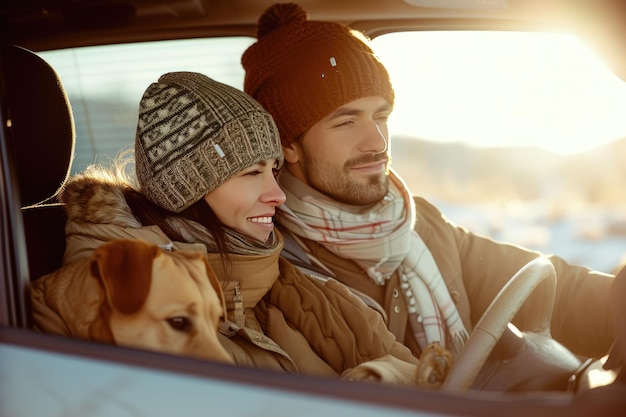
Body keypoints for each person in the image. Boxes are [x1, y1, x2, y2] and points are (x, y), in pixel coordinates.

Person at [241, 2, 615, 366]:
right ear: (288, 143)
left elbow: (552, 292)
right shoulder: (265, 265)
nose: (378, 142)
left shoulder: (422, 225)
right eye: (346, 122)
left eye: (381, 115)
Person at [30, 71, 439, 386]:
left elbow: (410, 370)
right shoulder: (114, 289)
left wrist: (374, 381)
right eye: (251, 173)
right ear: (188, 191)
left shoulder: (284, 284)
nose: (277, 194)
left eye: (274, 170)